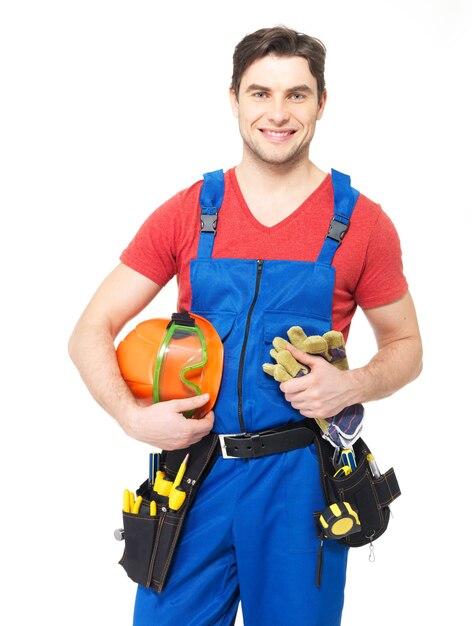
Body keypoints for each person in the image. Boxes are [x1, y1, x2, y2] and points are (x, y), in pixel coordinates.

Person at [69, 25, 422, 626]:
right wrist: (132, 418)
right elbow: (89, 332)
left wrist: (355, 384)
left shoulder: (362, 224)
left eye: (297, 95)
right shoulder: (189, 211)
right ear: (234, 99)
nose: (278, 113)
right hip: (193, 475)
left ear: (321, 103)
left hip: (299, 487)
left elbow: (407, 347)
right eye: (260, 93)